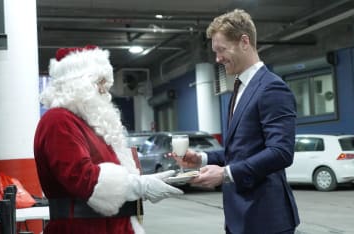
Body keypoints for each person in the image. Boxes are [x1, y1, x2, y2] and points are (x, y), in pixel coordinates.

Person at [172, 9, 300, 234]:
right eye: (215, 51)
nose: (217, 58)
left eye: (221, 50)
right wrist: (201, 158)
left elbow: (281, 152)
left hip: (266, 219)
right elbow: (241, 150)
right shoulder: (239, 88)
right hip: (239, 217)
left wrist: (224, 174)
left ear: (244, 42)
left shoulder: (272, 87)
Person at [34, 45, 183, 234]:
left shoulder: (90, 124)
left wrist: (143, 181)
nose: (106, 90)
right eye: (101, 82)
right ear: (78, 83)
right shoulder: (58, 121)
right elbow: (83, 179)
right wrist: (141, 186)